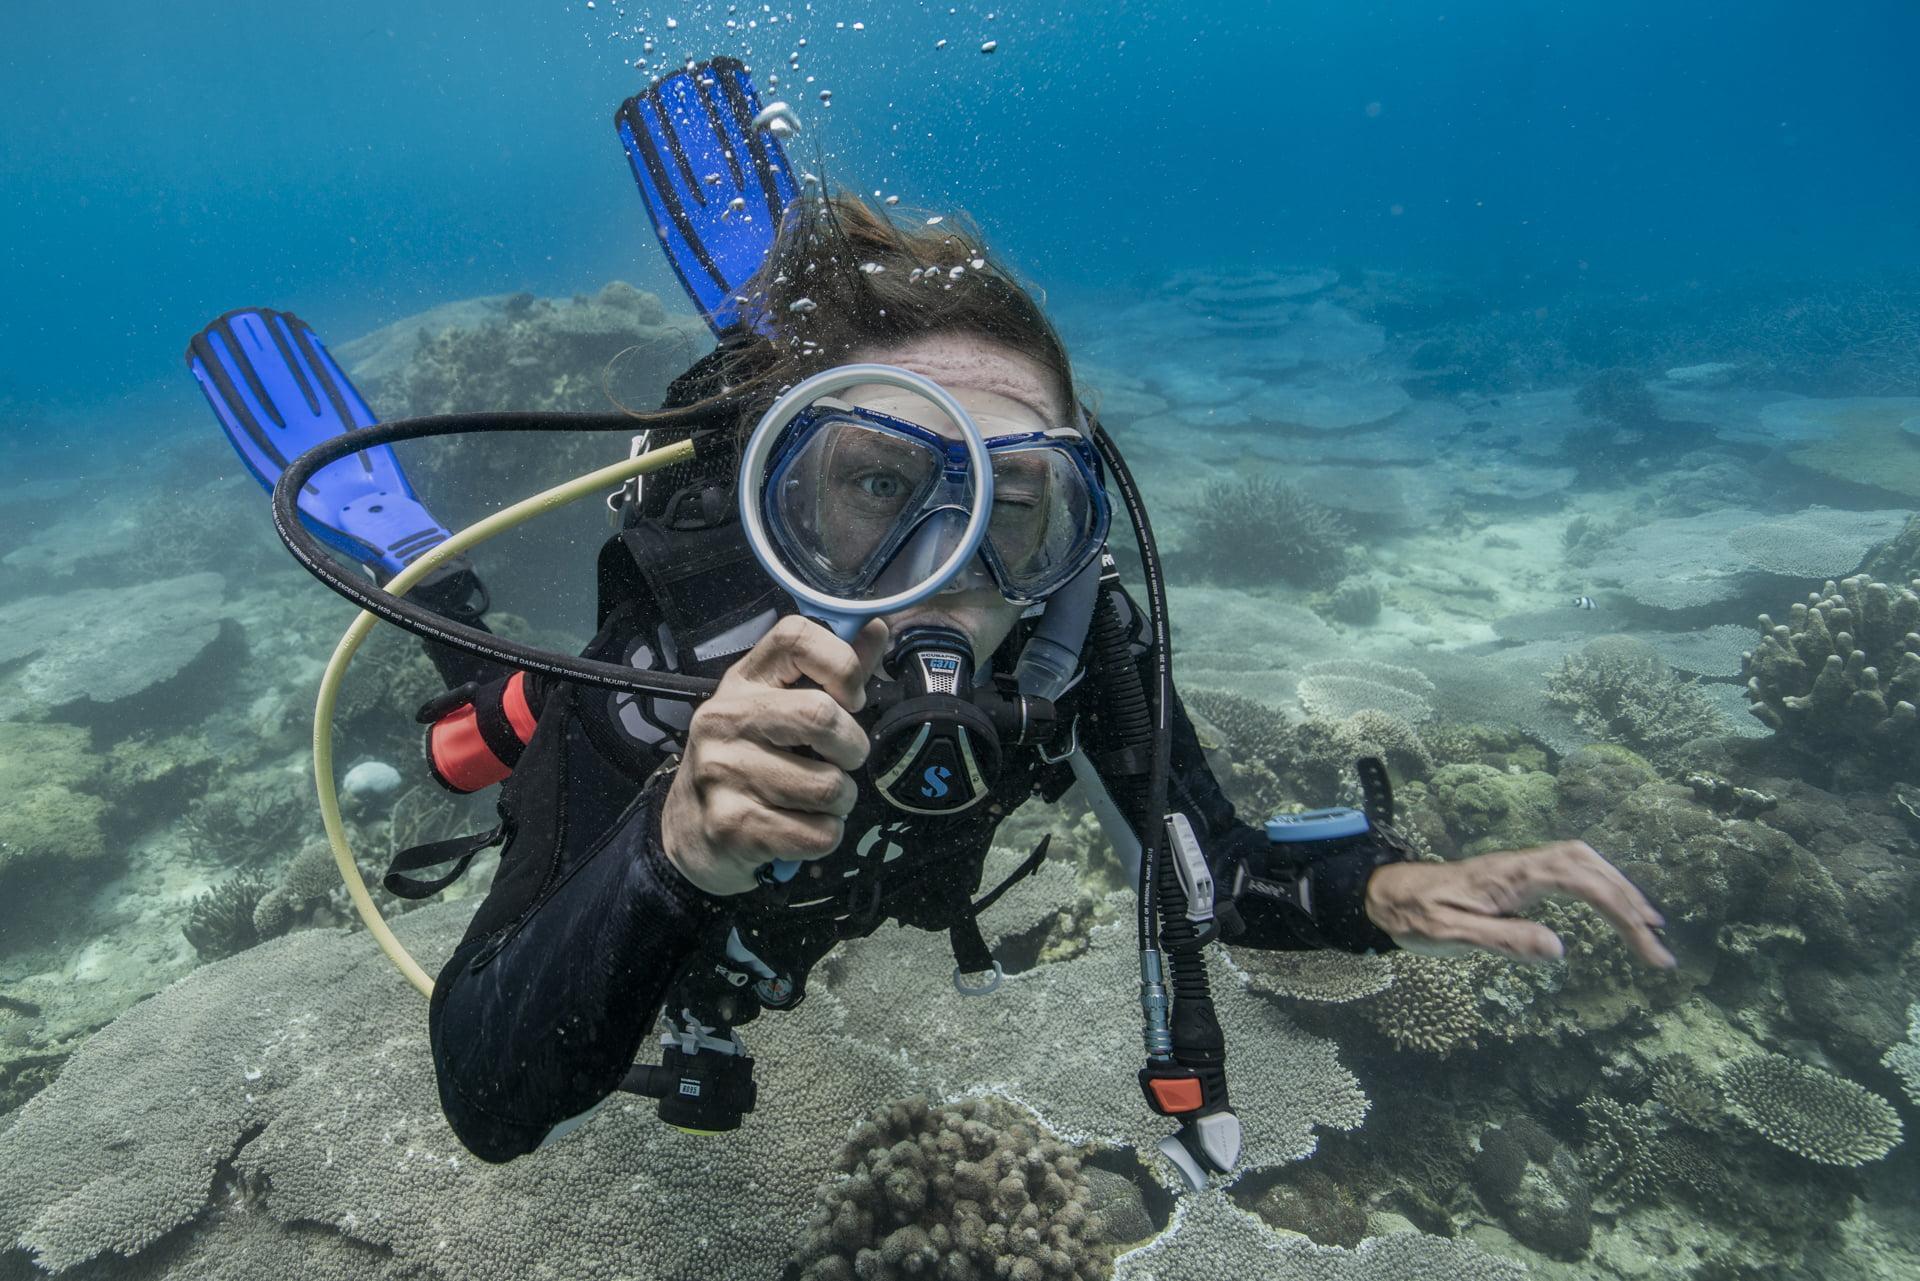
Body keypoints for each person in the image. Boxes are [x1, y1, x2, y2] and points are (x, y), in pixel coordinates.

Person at [188, 69, 1674, 1172]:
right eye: (880, 488)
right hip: (646, 766)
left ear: (1081, 515)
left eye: (1018, 501)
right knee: (488, 704)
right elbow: (490, 1099)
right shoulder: (671, 676)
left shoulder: (1068, 629)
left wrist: (1378, 889)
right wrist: (668, 846)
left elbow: (1210, 866)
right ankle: (424, 566)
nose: (952, 571)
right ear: (786, 507)